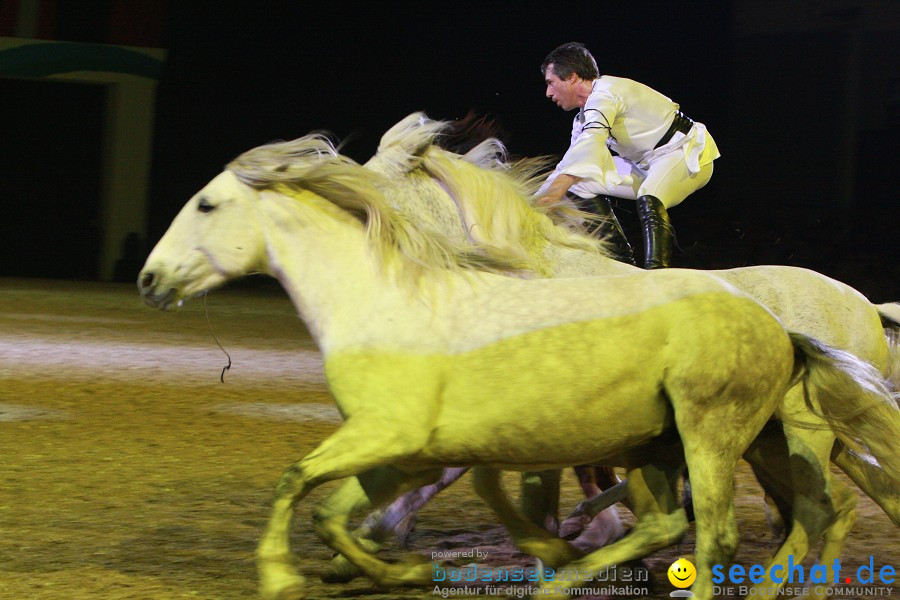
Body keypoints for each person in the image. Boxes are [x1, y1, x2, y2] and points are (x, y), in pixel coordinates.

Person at [535, 42, 720, 269]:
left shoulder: (606, 93)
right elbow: (570, 163)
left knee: (649, 195)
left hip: (685, 154)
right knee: (579, 184)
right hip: (646, 164)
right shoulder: (582, 117)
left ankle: (657, 274)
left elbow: (591, 142)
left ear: (572, 77)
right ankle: (622, 265)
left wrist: (551, 194)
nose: (548, 92)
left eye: (550, 83)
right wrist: (533, 202)